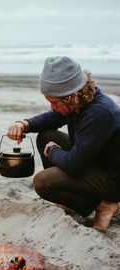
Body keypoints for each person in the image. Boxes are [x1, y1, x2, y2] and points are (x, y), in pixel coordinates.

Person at [7, 56, 120, 230]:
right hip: (95, 159)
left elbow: (75, 166)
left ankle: (104, 204)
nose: (52, 107)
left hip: (112, 177)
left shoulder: (99, 112)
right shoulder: (79, 100)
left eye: (54, 102)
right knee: (46, 136)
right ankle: (71, 201)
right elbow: (52, 118)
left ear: (70, 97)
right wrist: (23, 124)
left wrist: (53, 151)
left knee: (43, 182)